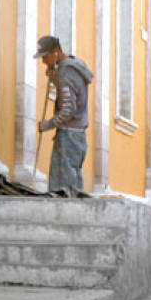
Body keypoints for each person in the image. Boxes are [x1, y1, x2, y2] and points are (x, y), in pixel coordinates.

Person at [33, 35, 93, 196]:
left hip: (69, 134)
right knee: (73, 182)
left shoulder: (66, 72)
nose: (43, 61)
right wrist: (54, 79)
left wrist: (48, 124)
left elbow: (68, 109)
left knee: (63, 187)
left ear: (56, 52)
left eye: (45, 57)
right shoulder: (74, 66)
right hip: (78, 133)